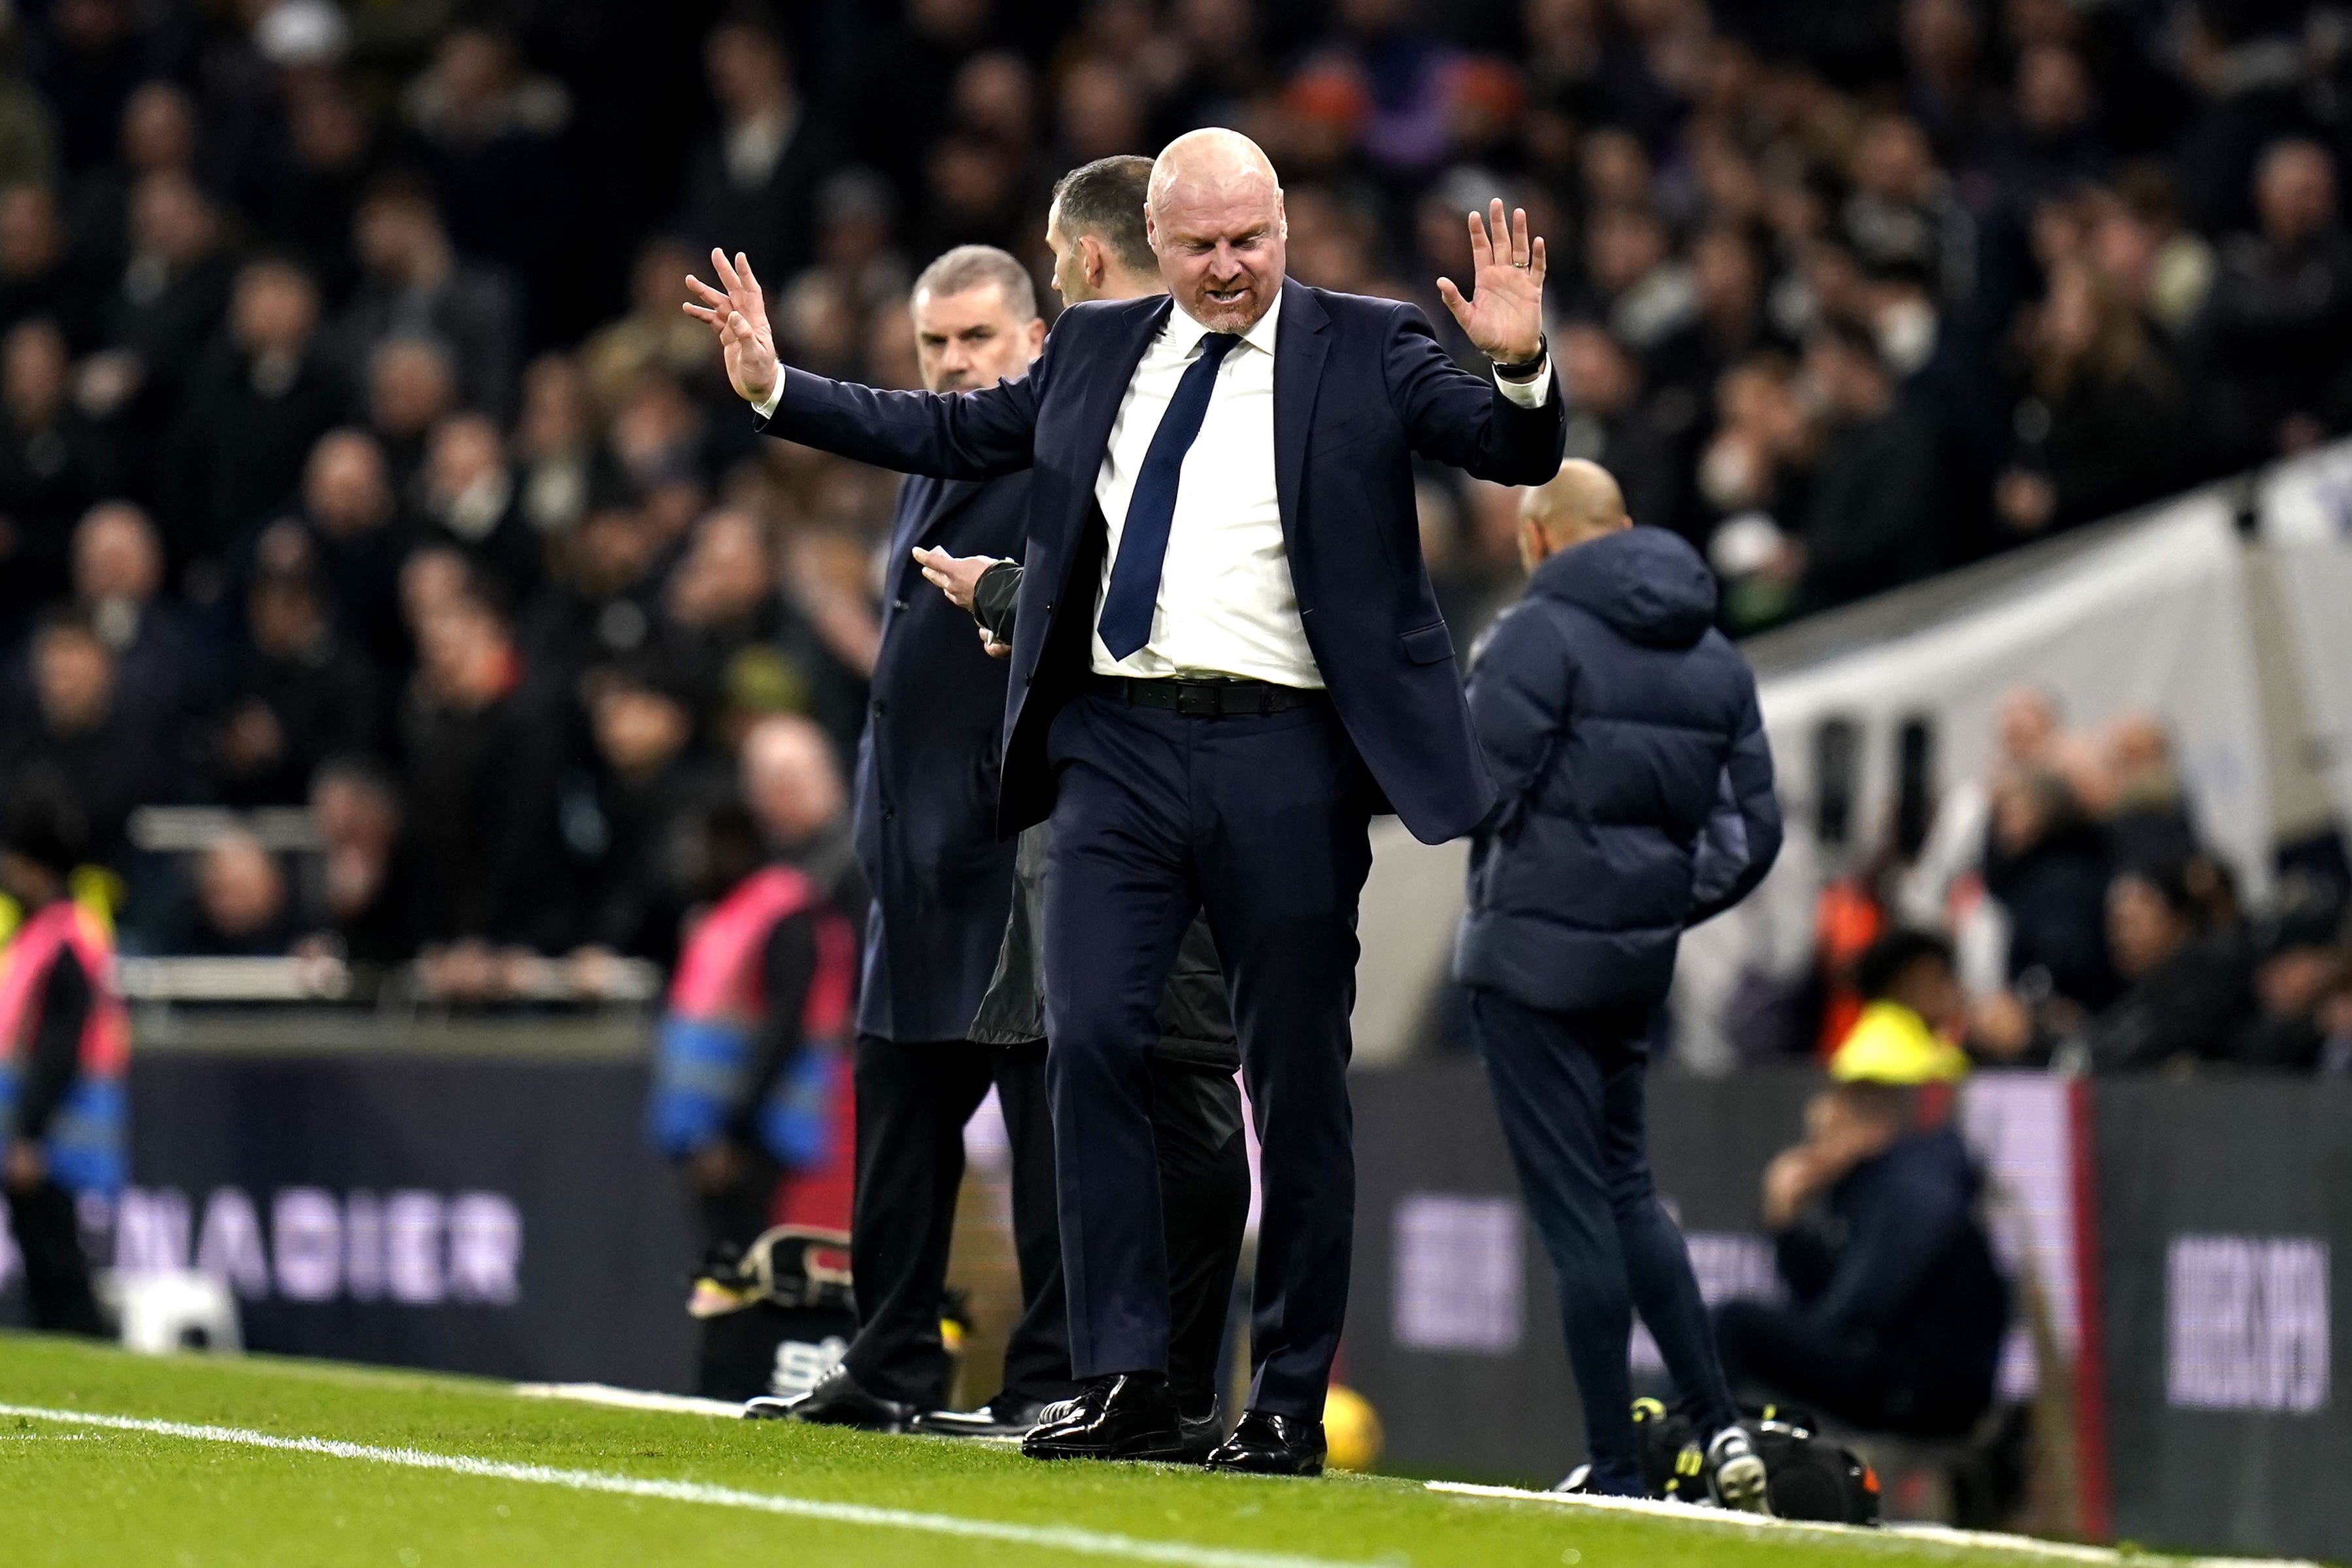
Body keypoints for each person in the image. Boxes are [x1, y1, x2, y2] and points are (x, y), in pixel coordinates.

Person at [688, 127, 1564, 1472]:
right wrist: (774, 388)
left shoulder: (1369, 346)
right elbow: (943, 426)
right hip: (1115, 747)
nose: (1228, 267)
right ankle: (1119, 1376)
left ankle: (1279, 1394)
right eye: (1201, 246)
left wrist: (1515, 359)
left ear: (1284, 225)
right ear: (1149, 246)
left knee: (1291, 1078)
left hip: (1283, 749)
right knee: (1087, 1039)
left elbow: (1509, 450)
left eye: (1250, 240)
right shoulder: (1094, 353)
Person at [911, 156, 1251, 1452]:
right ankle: (1118, 1374)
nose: (1054, 278)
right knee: (1093, 1070)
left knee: (1176, 1080)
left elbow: (1139, 586)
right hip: (1101, 782)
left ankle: (1170, 1378)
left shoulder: (1184, 392)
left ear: (1093, 258)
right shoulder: (1116, 386)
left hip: (1180, 779)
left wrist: (1007, 599)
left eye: (1054, 263)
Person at [1453, 459, 1780, 1506]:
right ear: (1627, 526)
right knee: (1630, 1190)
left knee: (1574, 1215)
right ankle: (1720, 1424)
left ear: (1536, 538)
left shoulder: (1535, 634)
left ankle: (1612, 1458)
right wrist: (1650, 904)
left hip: (1527, 962)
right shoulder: (1716, 654)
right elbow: (1752, 831)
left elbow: (1475, 785)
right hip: (1633, 966)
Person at [1715, 1080, 2009, 1441]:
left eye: (1827, 1134)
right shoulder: (1874, 1191)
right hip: (1900, 1376)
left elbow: (1849, 1315)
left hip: (1922, 1394)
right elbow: (1821, 1298)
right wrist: (1785, 1221)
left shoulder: (1909, 1195)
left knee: (1732, 1324)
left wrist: (1794, 1341)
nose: (1813, 1152)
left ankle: (1656, 1453)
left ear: (1872, 1132)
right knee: (1735, 1331)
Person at [0, 782, 126, 1335]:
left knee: (58, 1265)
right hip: (46, 1130)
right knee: (47, 1259)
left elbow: (58, 1043)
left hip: (56, 1134)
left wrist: (29, 1132)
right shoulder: (54, 931)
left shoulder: (62, 937)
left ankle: (93, 1360)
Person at [1828, 929, 1972, 1084]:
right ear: (1904, 986)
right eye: (1941, 978)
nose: (1956, 990)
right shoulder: (1881, 1054)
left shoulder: (1934, 1047)